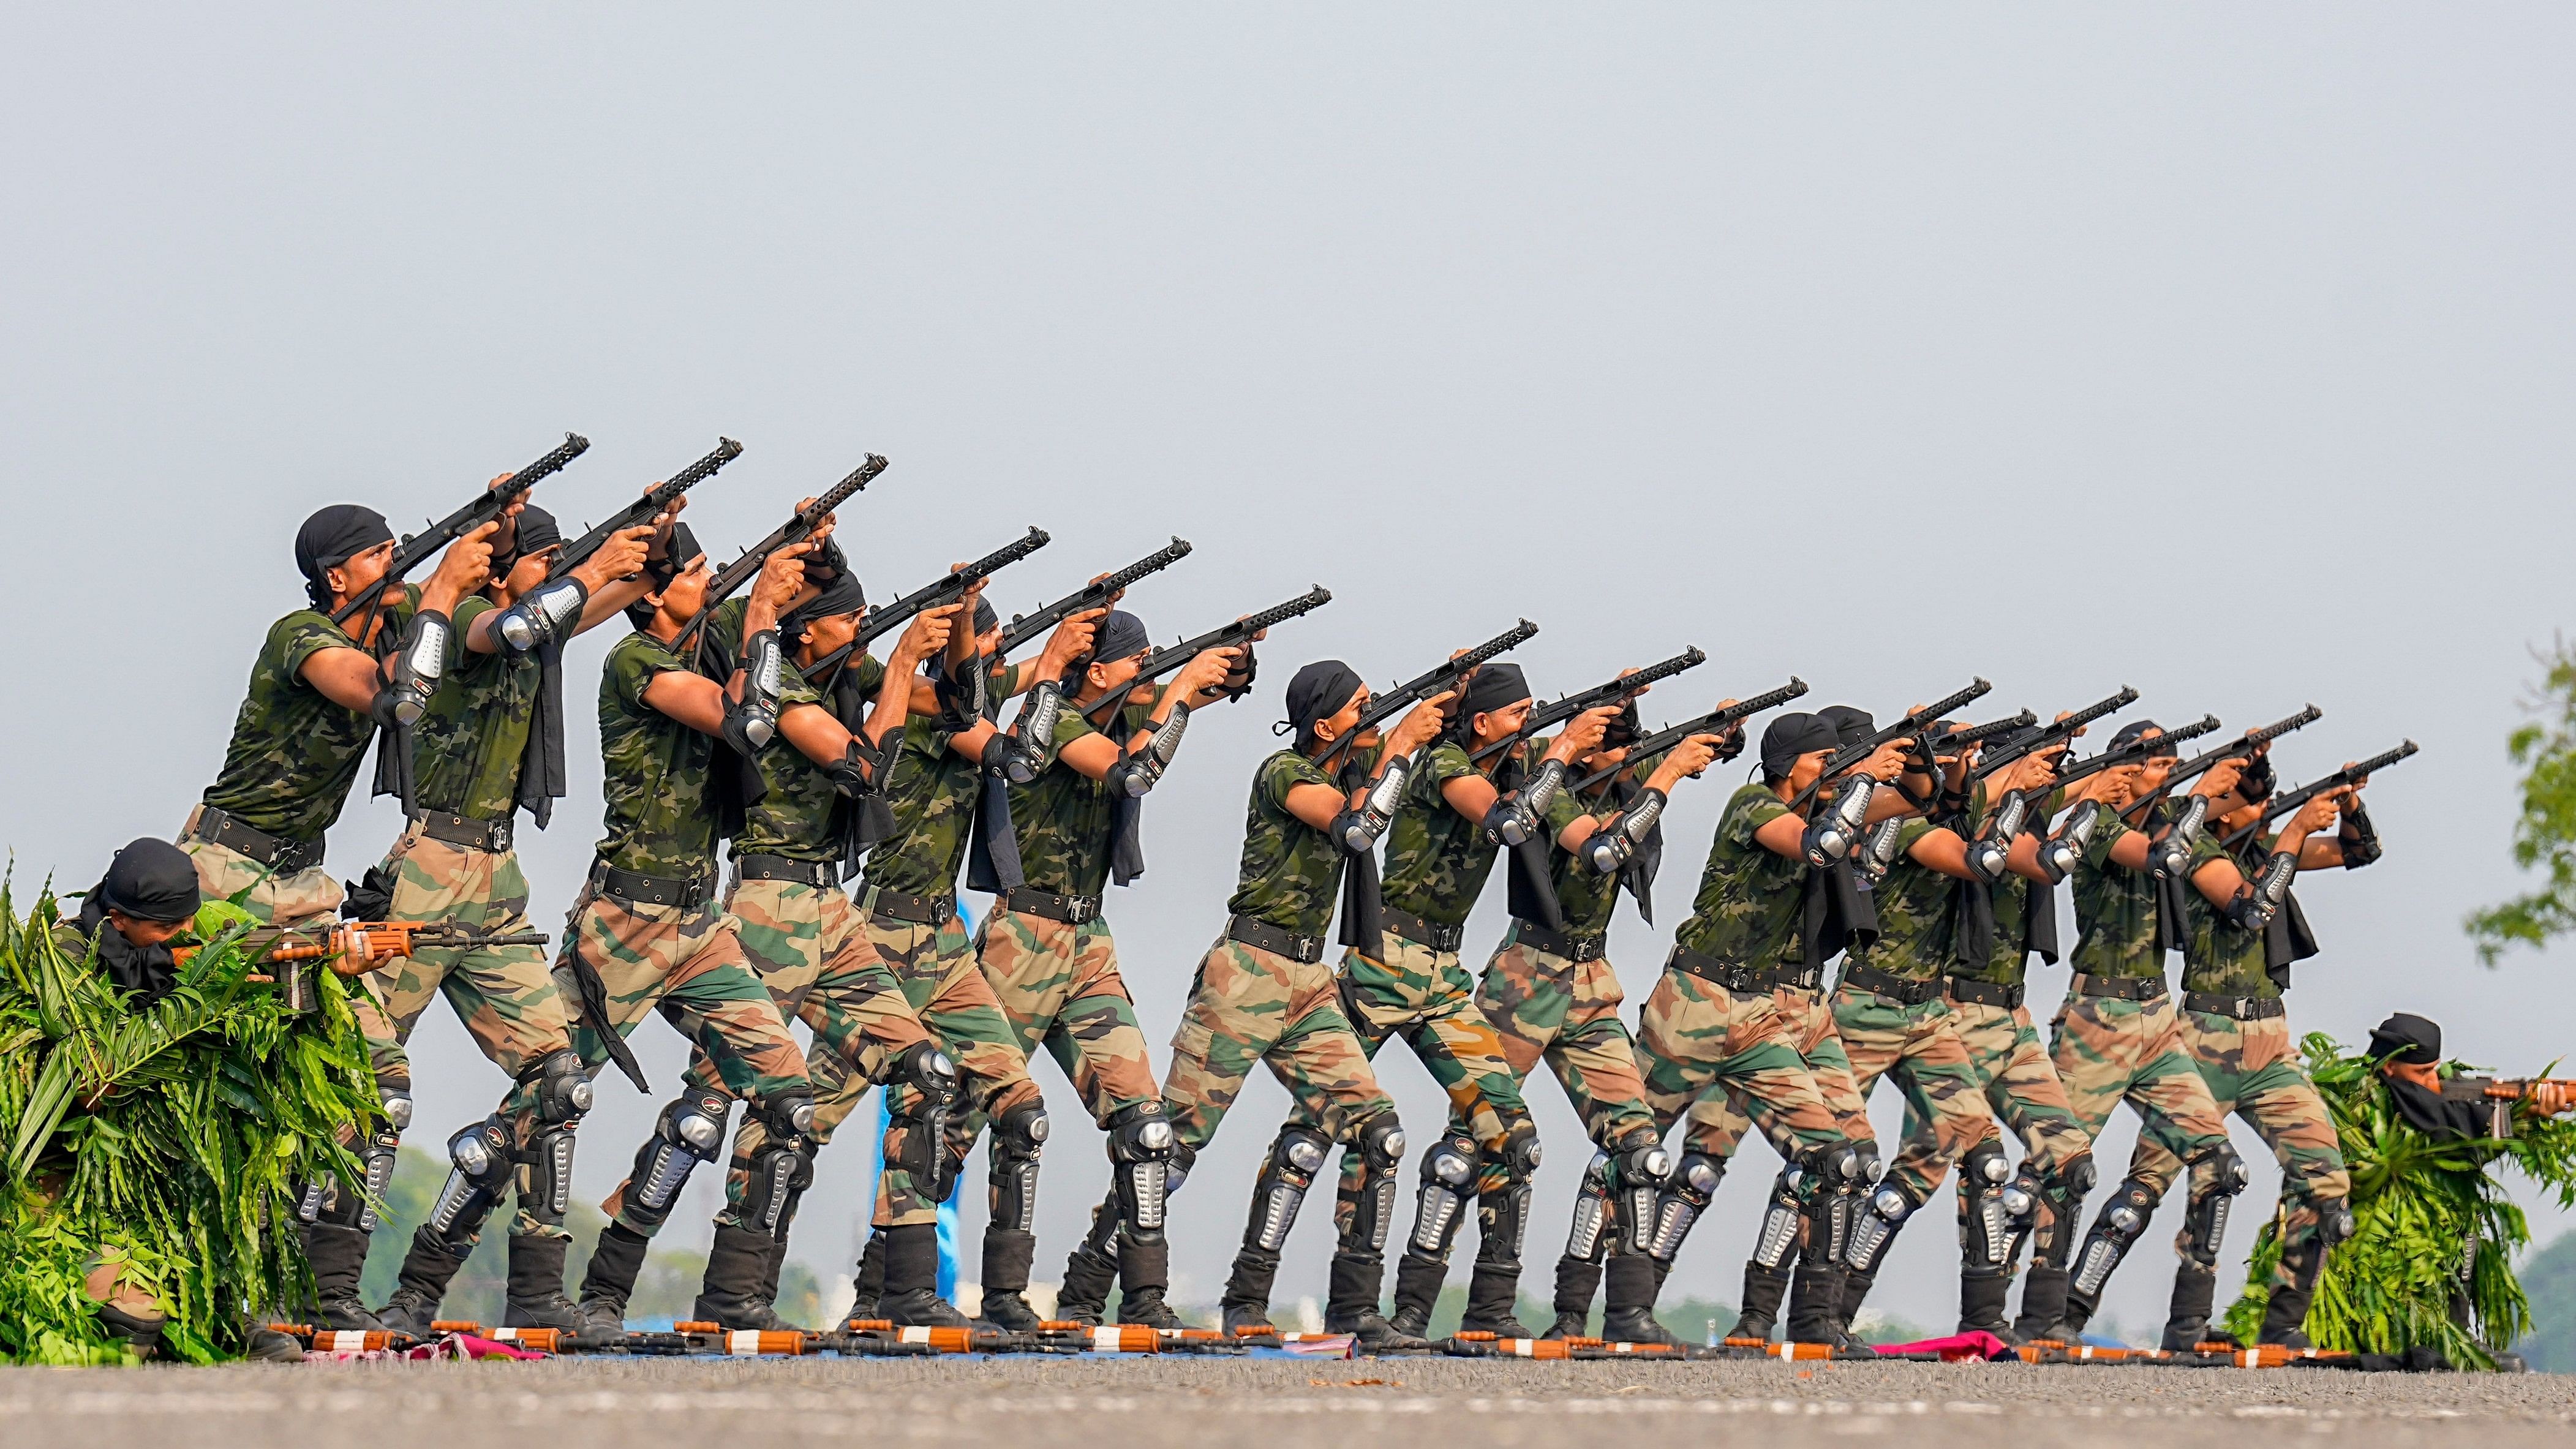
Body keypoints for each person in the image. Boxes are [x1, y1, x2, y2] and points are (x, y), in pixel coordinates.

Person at [377, 521, 827, 1338]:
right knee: (541, 1106)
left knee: (793, 1102)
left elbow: (781, 632)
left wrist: (789, 559)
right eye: (695, 571)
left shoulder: (710, 642)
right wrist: (759, 601)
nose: (711, 580)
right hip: (621, 927)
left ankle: (651, 1289)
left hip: (700, 926)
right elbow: (741, 719)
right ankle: (424, 1280)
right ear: (655, 594)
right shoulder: (639, 665)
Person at [573, 541, 966, 1334]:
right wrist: (894, 676)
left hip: (831, 910)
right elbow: (865, 769)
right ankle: (609, 1284)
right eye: (849, 619)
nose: (864, 632)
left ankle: (886, 1292)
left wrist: (942, 642)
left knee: (926, 1074)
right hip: (764, 904)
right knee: (705, 1115)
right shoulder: (773, 685)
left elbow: (959, 712)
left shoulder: (824, 679)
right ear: (806, 633)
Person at [179, 497, 504, 1332]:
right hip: (228, 870)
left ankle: (328, 1290)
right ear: (338, 575)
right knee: (246, 1085)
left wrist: (543, 557)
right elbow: (394, 701)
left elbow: (486, 642)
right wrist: (435, 595)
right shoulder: (303, 635)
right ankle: (234, 1286)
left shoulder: (391, 633)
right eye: (383, 557)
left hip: (303, 884)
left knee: (379, 1087)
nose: (399, 568)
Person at [350, 491, 666, 1337]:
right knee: (367, 1089)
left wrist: (643, 548)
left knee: (560, 1085)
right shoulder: (460, 618)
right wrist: (595, 569)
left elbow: (582, 607)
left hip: (495, 877)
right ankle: (321, 1285)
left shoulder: (538, 620)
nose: (562, 575)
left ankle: (508, 1289)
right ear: (502, 567)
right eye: (546, 560)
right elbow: (524, 624)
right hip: (425, 874)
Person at [1259, 660, 1605, 1346]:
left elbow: (1552, 788)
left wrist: (1609, 721)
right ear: (1481, 721)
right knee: (1326, 1130)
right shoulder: (1444, 762)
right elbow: (1512, 820)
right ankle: (1287, 1297)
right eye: (1517, 714)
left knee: (1515, 1139)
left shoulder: (1503, 763)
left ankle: (1483, 1312)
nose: (1528, 727)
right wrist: (1564, 748)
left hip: (1444, 972)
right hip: (1386, 955)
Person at [976, 609, 1248, 1331]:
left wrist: (1226, 659)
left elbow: (1201, 700)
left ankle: (1142, 1295)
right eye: (1137, 662)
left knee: (1147, 1128)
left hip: (1087, 937)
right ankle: (943, 1289)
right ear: (1096, 672)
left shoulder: (1122, 708)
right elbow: (1136, 770)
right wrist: (1182, 687)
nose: (1148, 673)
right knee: (975, 1120)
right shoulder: (1057, 717)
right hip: (1023, 936)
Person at [1162, 661, 1447, 1344]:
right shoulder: (1286, 773)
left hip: (1308, 982)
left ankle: (1353, 1309)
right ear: (1325, 725)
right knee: (1168, 1146)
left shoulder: (1352, 770)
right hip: (1248, 973)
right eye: (1361, 707)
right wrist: (1404, 738)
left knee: (1382, 1133)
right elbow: (1355, 828)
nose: (1373, 717)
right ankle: (1093, 1285)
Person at [837, 597, 1100, 1331]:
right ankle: (742, 1290)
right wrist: (1049, 666)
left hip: (943, 940)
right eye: (989, 642)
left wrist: (1065, 645)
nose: (999, 654)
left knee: (1018, 1107)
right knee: (802, 1117)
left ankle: (961, 1297)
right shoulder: (932, 713)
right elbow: (1017, 749)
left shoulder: (962, 700)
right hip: (874, 935)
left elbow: (997, 686)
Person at [1469, 691, 1736, 1344]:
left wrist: (1709, 735)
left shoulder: (1621, 788)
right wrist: (1666, 774)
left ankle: (1624, 1312)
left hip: (1592, 980)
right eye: (1617, 745)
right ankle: (1477, 1311)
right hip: (1526, 974)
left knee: (1639, 1150)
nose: (1631, 757)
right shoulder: (1553, 790)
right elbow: (1600, 851)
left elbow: (1665, 784)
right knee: (1485, 1140)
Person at [1629, 711, 1897, 1346]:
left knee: (1839, 1159)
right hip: (1694, 999)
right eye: (1823, 758)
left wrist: (1915, 772)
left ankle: (1813, 1323)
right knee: (1637, 1152)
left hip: (1759, 1011)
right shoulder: (1754, 803)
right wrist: (1861, 776)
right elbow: (1817, 845)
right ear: (1790, 762)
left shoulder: (1823, 811)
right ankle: (1614, 1310)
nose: (1832, 769)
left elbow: (1876, 837)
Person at [2123, 762, 2371, 1348]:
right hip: (2205, 1034)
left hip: (2269, 1041)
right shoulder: (2202, 853)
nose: (2267, 805)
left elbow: (2359, 854)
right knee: (2156, 1180)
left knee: (2324, 1180)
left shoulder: (2263, 850)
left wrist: (2351, 807)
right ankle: (2173, 1325)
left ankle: (2282, 1328)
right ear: (2222, 809)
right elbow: (2251, 908)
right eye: (2250, 797)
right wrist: (2292, 835)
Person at [1872, 724, 2097, 1342]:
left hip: (2012, 1013)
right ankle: (1832, 1308)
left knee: (2069, 1163)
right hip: (1951, 1011)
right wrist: (2011, 784)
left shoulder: (2021, 816)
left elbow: (2047, 858)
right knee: (1923, 1171)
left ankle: (2028, 1321)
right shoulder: (1946, 821)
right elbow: (1986, 849)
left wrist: (2091, 788)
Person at [2046, 721, 2250, 1341]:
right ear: (2128, 773)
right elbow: (2158, 855)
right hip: (2097, 1017)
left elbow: (2236, 888)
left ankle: (2188, 1325)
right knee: (2063, 1170)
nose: (2172, 776)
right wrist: (2198, 799)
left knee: (2221, 1165)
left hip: (2157, 1017)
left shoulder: (2171, 822)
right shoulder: (2099, 820)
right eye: (2161, 766)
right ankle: (2041, 1314)